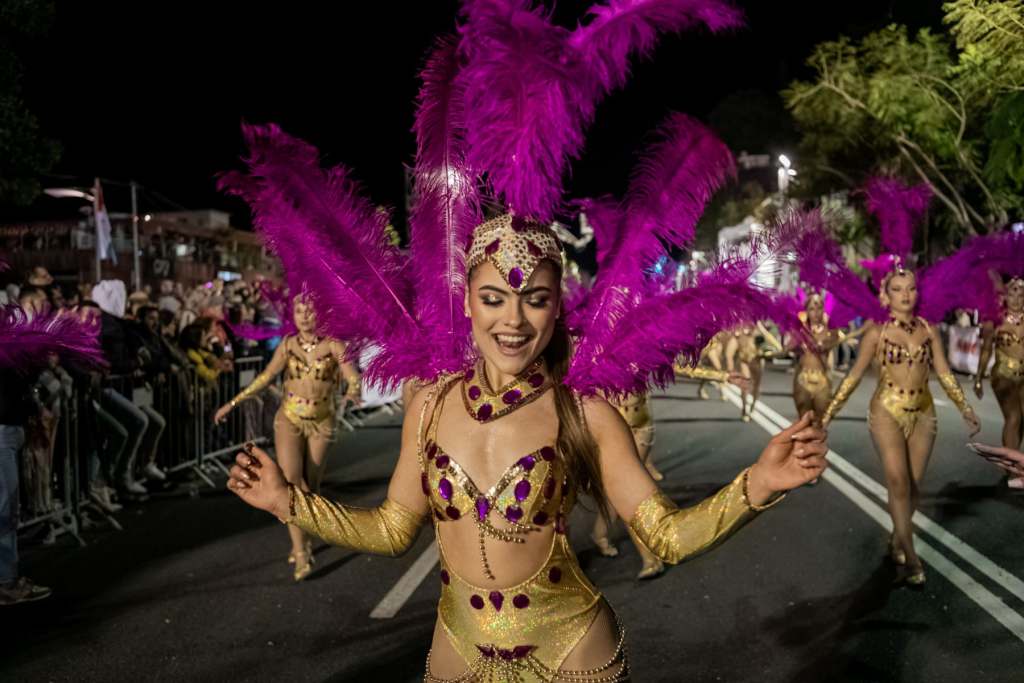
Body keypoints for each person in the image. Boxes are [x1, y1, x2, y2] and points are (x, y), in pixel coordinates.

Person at [823, 265, 980, 585]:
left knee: (914, 486)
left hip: (923, 412)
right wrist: (827, 415)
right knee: (897, 482)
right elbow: (853, 376)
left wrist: (965, 407)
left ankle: (898, 538)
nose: (905, 294)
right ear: (885, 294)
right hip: (887, 410)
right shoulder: (875, 332)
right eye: (898, 288)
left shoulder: (928, 328)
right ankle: (912, 558)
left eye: (910, 288)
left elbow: (944, 372)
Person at [215, 296, 361, 581]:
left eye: (310, 310)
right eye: (299, 310)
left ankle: (304, 534)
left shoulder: (333, 345)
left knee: (312, 486)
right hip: (289, 418)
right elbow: (265, 378)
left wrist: (354, 390)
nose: (305, 316)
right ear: (292, 315)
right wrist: (233, 403)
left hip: (322, 419)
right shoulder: (287, 346)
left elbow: (351, 376)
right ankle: (301, 549)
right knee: (292, 483)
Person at [975, 278, 1024, 489]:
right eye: (1012, 293)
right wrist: (978, 378)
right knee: (1013, 417)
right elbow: (986, 350)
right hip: (1002, 375)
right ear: (1004, 296)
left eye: (1021, 294)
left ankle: (1013, 460)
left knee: (1022, 418)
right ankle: (1012, 469)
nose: (1017, 299)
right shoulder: (994, 320)